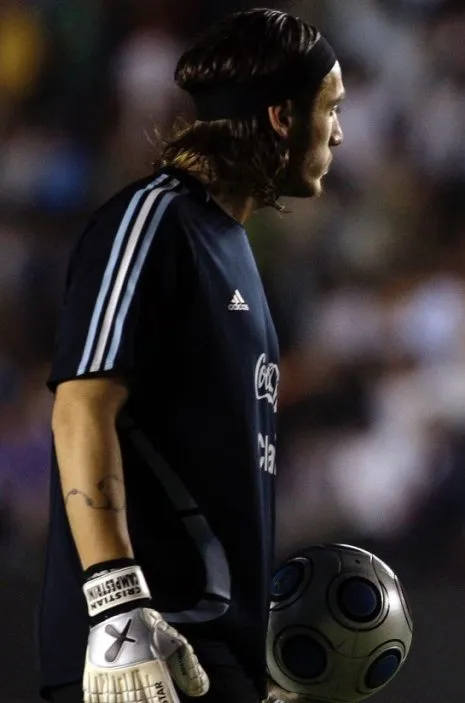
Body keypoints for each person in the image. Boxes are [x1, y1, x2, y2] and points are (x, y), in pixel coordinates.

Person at [37, 8, 344, 703]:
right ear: (279, 116)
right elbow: (80, 407)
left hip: (206, 656)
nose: (340, 131)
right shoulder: (154, 220)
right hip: (133, 652)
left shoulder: (231, 246)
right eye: (330, 108)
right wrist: (117, 608)